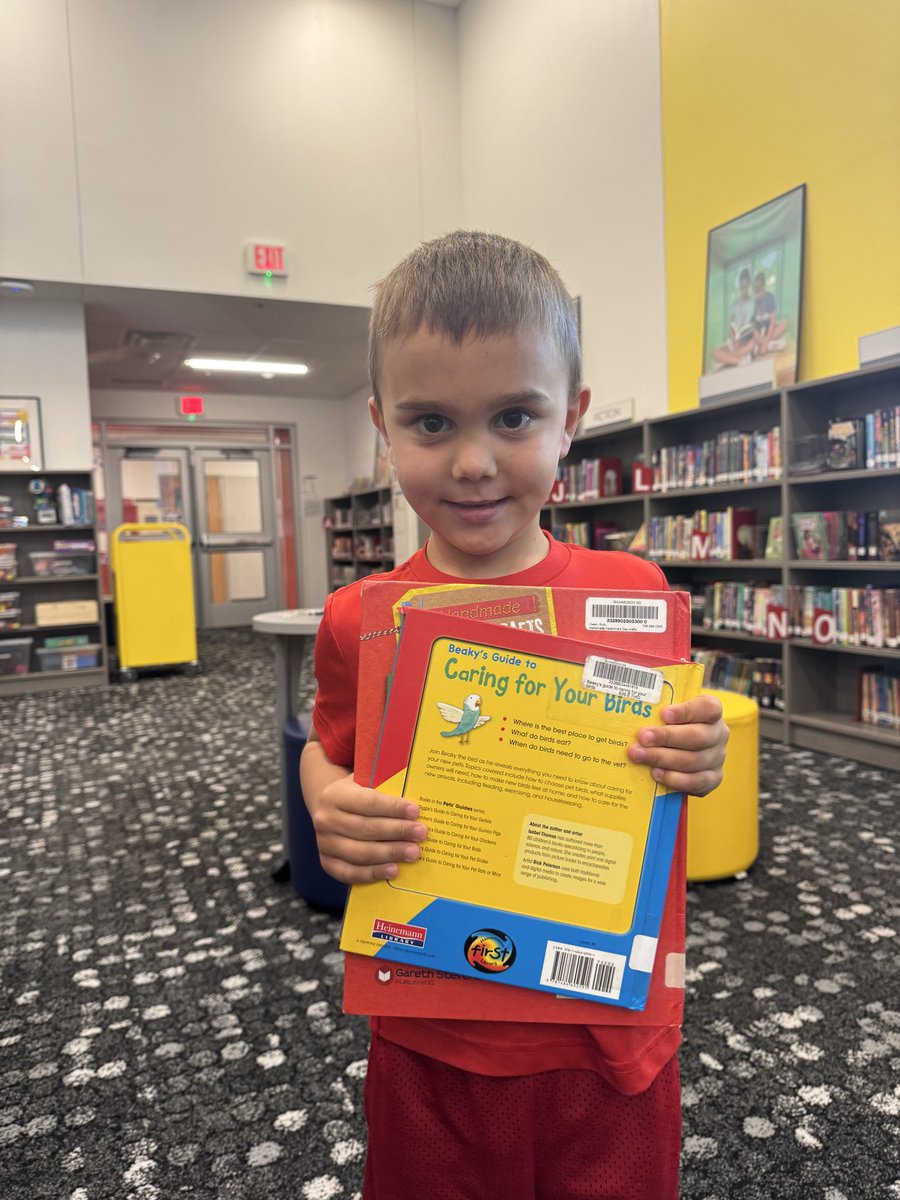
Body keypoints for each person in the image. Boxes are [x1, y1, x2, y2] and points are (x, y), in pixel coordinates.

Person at [301, 230, 730, 1199]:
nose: (473, 462)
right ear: (381, 427)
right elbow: (329, 752)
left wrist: (698, 755)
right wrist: (328, 801)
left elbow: (676, 759)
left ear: (570, 418)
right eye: (430, 423)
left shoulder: (634, 596)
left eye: (513, 417)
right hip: (431, 1034)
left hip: (607, 1039)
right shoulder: (360, 620)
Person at [711, 265, 756, 367]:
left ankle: (732, 358)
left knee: (753, 342)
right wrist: (735, 341)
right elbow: (732, 325)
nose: (744, 288)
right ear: (739, 285)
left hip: (748, 341)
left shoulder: (754, 304)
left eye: (746, 285)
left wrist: (743, 341)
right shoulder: (734, 304)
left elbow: (754, 328)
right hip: (735, 341)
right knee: (713, 351)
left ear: (749, 285)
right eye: (742, 285)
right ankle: (739, 360)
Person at [751, 270, 788, 357]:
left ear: (764, 287)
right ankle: (769, 345)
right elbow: (753, 326)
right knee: (751, 332)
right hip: (760, 333)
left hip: (769, 331)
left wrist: (765, 342)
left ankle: (765, 345)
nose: (757, 294)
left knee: (785, 323)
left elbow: (772, 323)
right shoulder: (754, 302)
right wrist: (758, 336)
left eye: (759, 290)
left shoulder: (770, 298)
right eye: (756, 291)